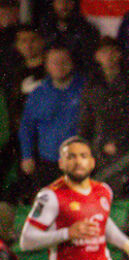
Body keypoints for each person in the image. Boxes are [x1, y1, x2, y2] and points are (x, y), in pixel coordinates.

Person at [78, 37, 129, 200]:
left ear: (119, 54)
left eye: (112, 52)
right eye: (103, 52)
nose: (108, 56)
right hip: (99, 154)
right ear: (96, 56)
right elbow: (85, 124)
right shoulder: (91, 85)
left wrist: (119, 142)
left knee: (126, 199)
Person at [18, 44, 84, 201]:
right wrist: (27, 156)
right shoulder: (38, 93)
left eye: (64, 61)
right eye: (55, 62)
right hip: (48, 163)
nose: (59, 66)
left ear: (72, 63)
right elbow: (26, 127)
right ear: (47, 65)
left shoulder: (85, 89)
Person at [37, 0, 99, 72]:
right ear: (53, 4)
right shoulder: (45, 28)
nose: (64, 6)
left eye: (68, 1)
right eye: (60, 2)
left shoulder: (87, 30)